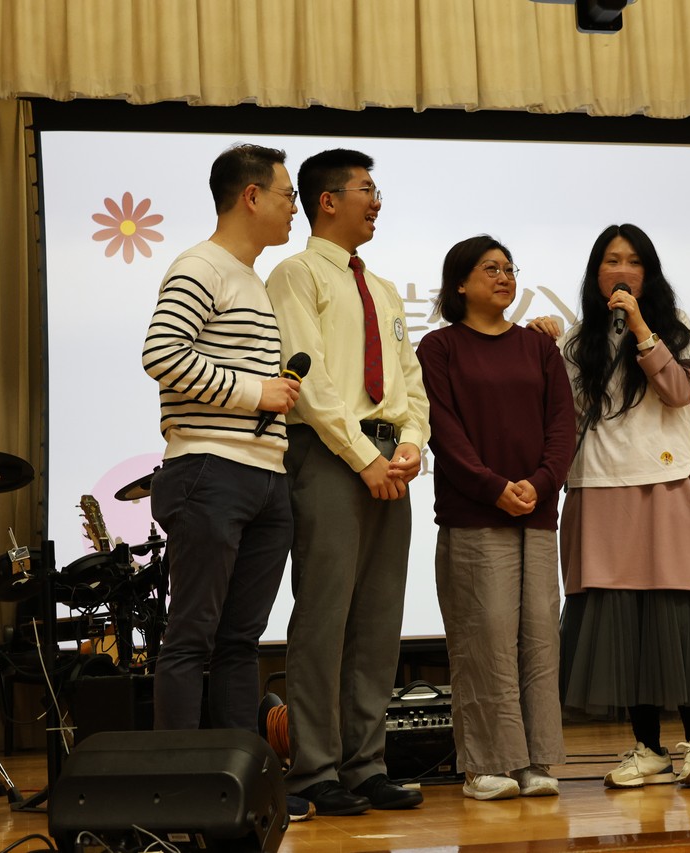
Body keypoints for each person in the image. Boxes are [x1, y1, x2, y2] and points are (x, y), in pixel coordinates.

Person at [141, 144, 310, 815]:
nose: (294, 207)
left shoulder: (253, 281)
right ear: (251, 196)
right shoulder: (200, 266)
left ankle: (246, 792)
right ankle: (179, 791)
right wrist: (254, 392)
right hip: (209, 468)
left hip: (266, 476)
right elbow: (161, 353)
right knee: (192, 637)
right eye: (288, 194)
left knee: (240, 642)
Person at [266, 149, 430, 816]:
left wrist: (411, 442)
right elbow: (309, 383)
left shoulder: (383, 288)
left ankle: (367, 765)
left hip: (388, 459)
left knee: (379, 621)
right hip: (332, 455)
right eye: (367, 188)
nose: (378, 200)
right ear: (328, 200)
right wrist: (363, 456)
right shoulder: (296, 274)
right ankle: (313, 770)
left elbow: (409, 378)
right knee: (324, 617)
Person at [554, 223, 690, 789]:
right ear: (596, 274)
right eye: (611, 261)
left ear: (648, 274)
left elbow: (677, 392)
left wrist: (639, 328)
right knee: (622, 618)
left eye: (633, 261)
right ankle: (648, 748)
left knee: (678, 610)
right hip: (599, 486)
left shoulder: (677, 332)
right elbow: (560, 414)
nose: (622, 271)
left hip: (668, 483)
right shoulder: (575, 343)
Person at [416, 235, 577, 801]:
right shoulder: (439, 347)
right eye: (491, 269)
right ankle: (485, 764)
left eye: (510, 269)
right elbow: (443, 430)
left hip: (536, 514)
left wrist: (540, 483)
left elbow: (563, 426)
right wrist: (493, 487)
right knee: (483, 640)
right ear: (460, 283)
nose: (505, 277)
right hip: (474, 516)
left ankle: (535, 760)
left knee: (539, 642)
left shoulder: (538, 347)